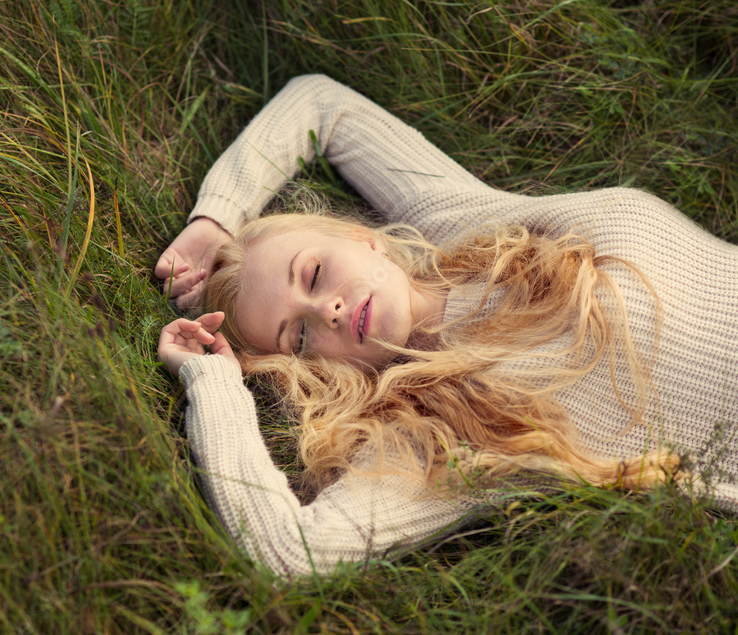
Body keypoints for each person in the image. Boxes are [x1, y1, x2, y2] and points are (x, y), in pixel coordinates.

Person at [155, 74, 738, 577]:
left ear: (362, 237)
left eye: (314, 274)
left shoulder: (463, 226)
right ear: (313, 373)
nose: (326, 309)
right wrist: (215, 386)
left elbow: (322, 105)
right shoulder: (431, 433)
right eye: (300, 337)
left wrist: (215, 218)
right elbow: (289, 551)